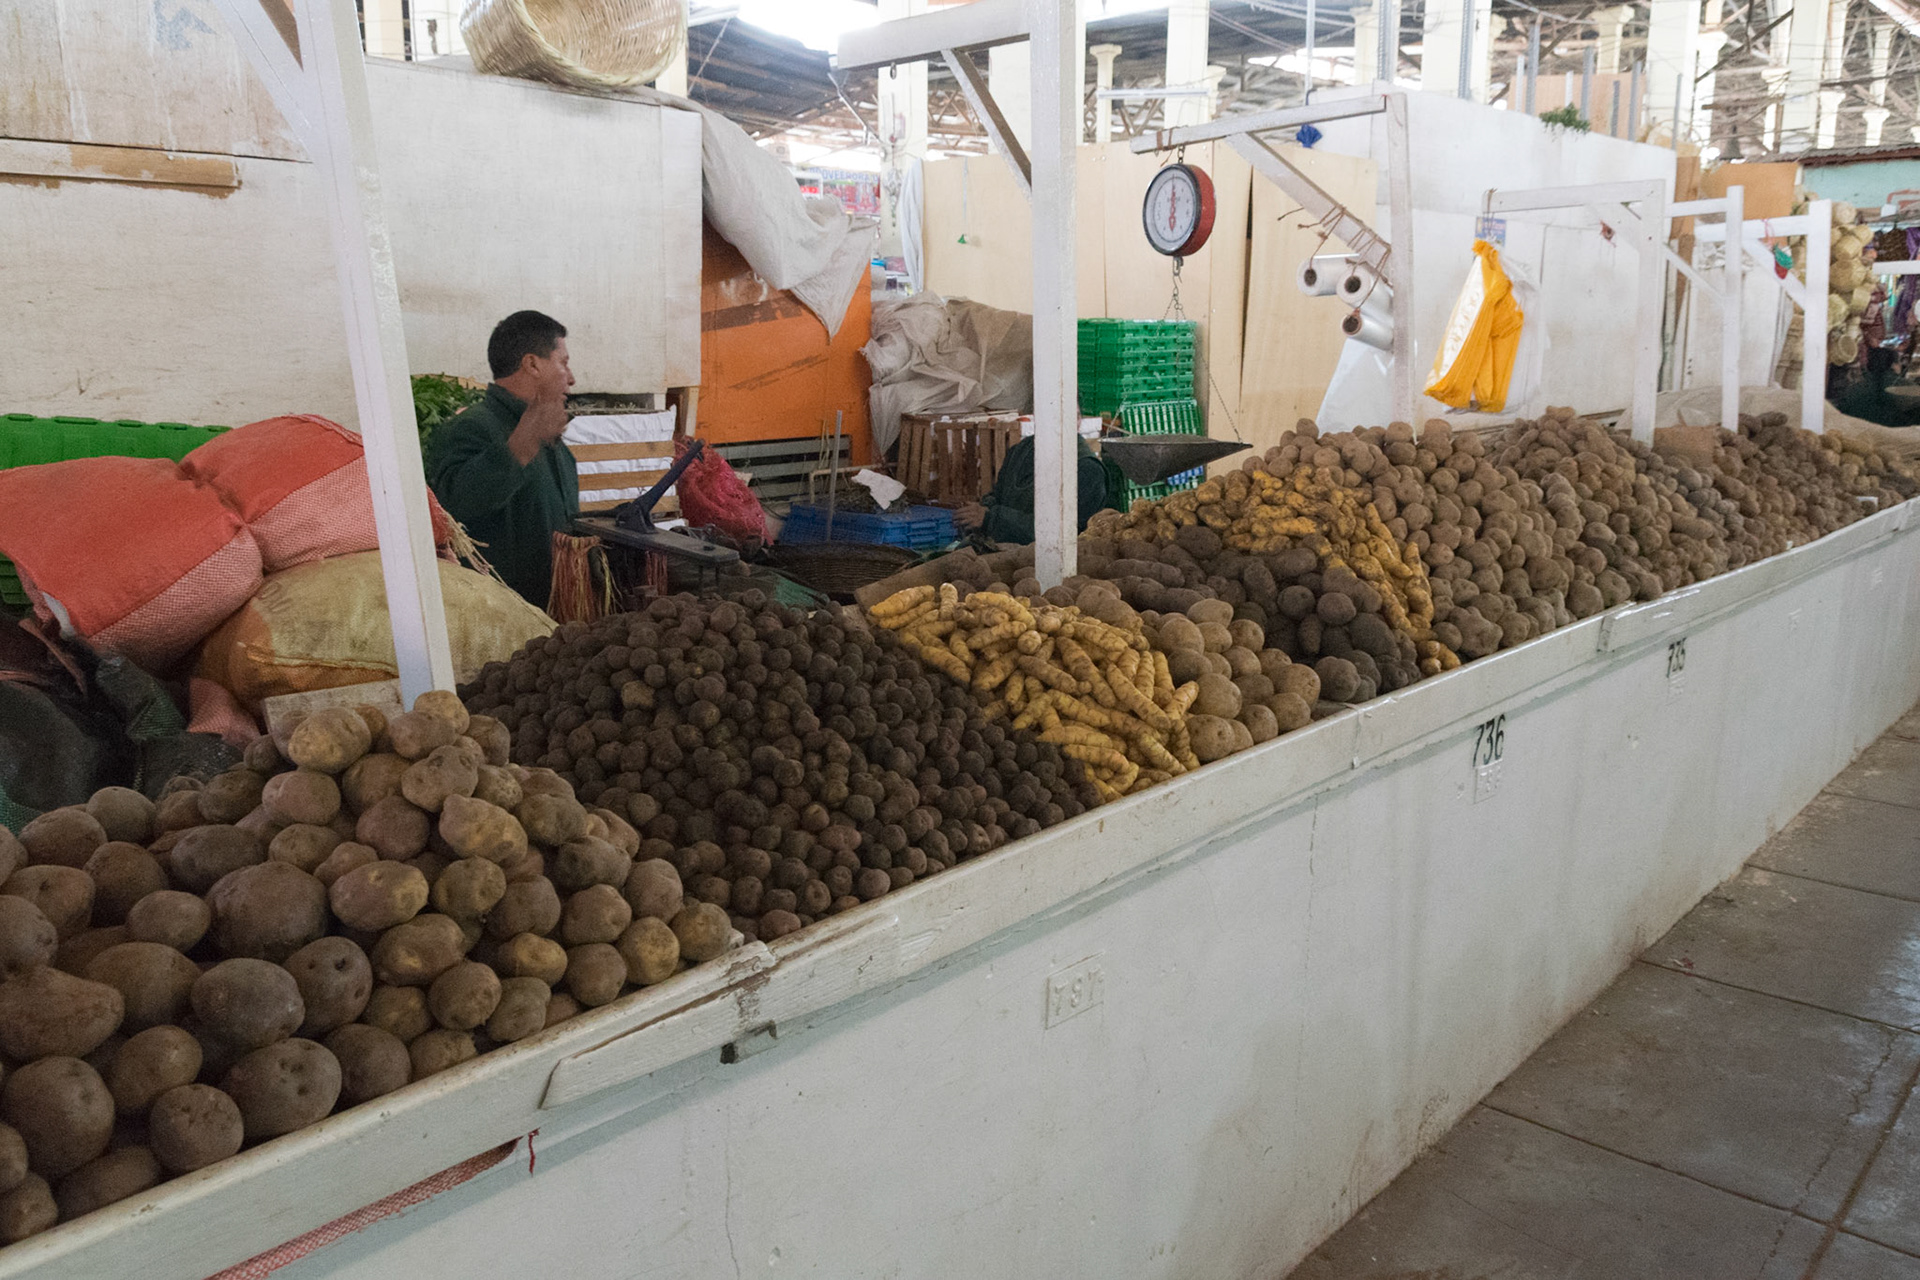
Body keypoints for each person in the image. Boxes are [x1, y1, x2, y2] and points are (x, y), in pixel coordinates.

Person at [428, 311, 579, 606]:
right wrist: (525, 442)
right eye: (563, 362)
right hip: (501, 617)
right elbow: (455, 506)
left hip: (553, 614)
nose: (571, 379)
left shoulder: (548, 433)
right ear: (532, 364)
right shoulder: (471, 427)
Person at [955, 432, 1112, 543]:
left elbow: (1063, 532)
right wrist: (982, 509)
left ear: (1077, 419)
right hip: (1005, 551)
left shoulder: (1087, 471)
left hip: (1051, 562)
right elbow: (998, 494)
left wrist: (991, 518)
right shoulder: (1020, 451)